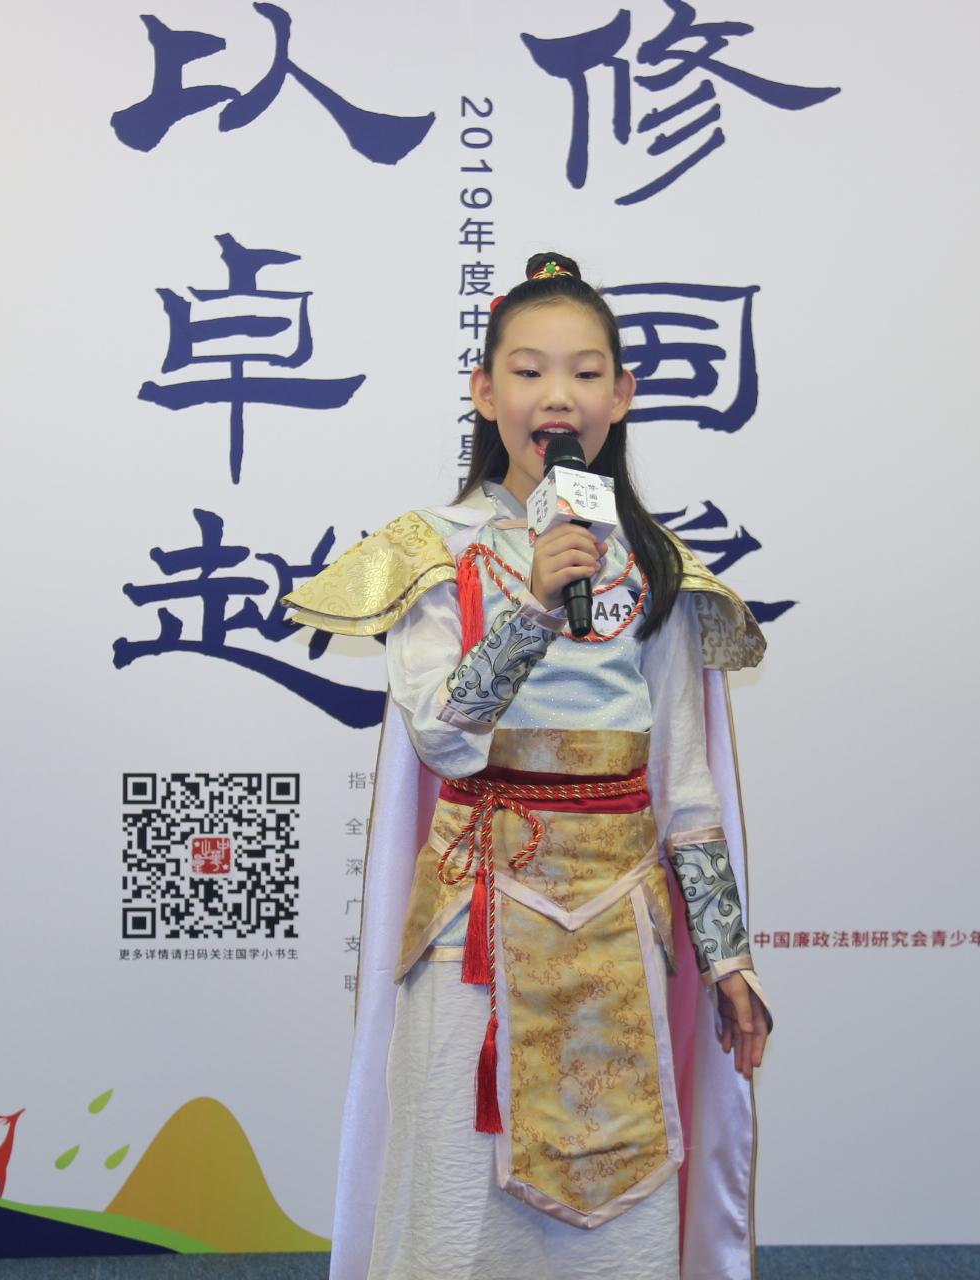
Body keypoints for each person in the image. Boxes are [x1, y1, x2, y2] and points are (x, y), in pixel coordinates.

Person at [284, 252, 775, 1280]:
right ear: (484, 390)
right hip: (477, 921)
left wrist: (729, 960)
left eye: (586, 372)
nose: (559, 395)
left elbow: (685, 791)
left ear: (621, 395)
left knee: (619, 1217)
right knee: (456, 1209)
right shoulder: (432, 552)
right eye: (530, 370)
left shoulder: (659, 567)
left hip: (618, 932)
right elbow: (443, 733)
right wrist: (534, 608)